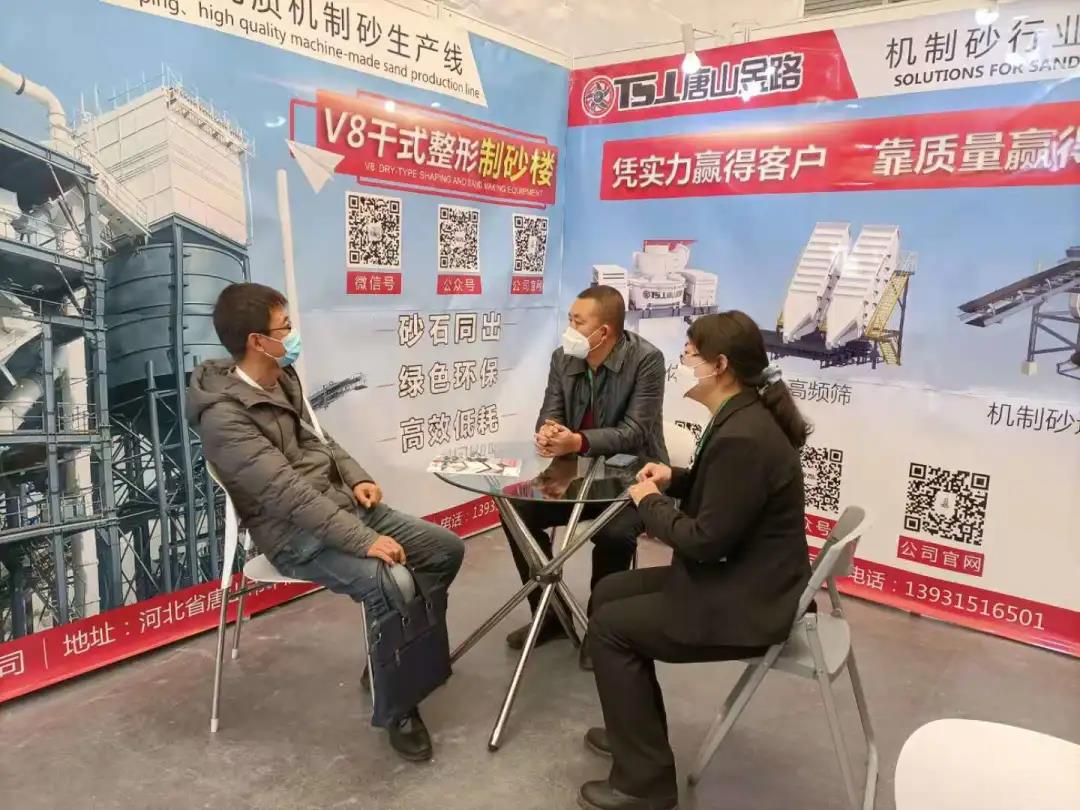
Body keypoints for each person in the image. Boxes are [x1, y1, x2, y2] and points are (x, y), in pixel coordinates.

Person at [187, 283, 464, 763]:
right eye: (285, 327)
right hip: (293, 534)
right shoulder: (223, 419)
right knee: (391, 581)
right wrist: (366, 539)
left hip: (340, 508)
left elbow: (321, 438)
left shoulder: (282, 376)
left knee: (445, 551)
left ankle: (391, 656)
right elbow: (287, 496)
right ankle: (399, 707)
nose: (293, 334)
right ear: (257, 341)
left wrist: (356, 477)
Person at [578, 311, 812, 810]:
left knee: (612, 628)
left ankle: (645, 785)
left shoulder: (744, 436)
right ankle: (632, 732)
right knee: (610, 592)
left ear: (719, 365)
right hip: (741, 579)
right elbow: (725, 496)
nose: (683, 363)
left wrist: (649, 502)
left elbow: (705, 541)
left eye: (689, 354)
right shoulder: (742, 417)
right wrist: (674, 478)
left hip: (745, 601)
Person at [501, 285, 667, 665]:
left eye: (578, 322)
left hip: (634, 481)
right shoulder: (564, 358)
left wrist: (578, 441)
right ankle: (551, 616)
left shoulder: (646, 360)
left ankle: (602, 630)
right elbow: (551, 411)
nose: (570, 329)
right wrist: (549, 432)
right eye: (570, 319)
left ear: (603, 332)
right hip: (574, 476)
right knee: (516, 511)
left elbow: (635, 432)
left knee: (614, 534)